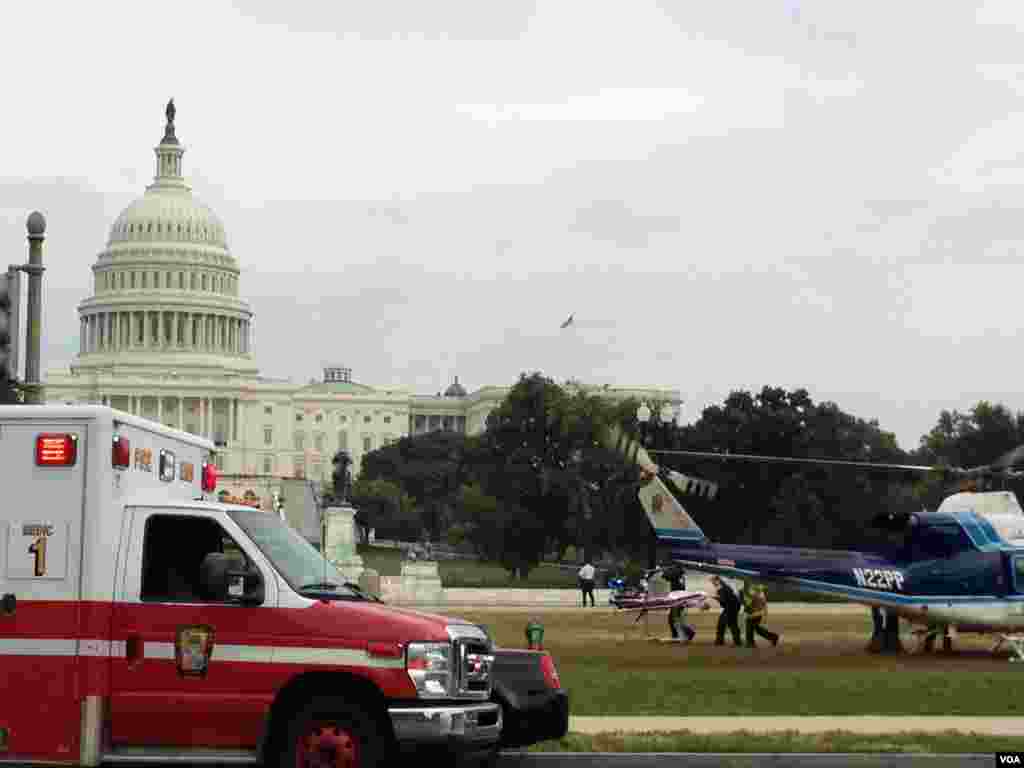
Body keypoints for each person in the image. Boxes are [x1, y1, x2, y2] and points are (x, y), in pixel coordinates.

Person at [742, 580, 780, 648]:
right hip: (754, 613)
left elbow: (763, 604)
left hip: (756, 613)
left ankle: (750, 643)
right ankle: (773, 637)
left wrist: (764, 614)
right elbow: (749, 603)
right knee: (757, 629)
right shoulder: (754, 591)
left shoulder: (757, 592)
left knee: (750, 626)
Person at [710, 575, 743, 646]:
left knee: (727, 624)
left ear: (717, 580)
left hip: (732, 607)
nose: (712, 583)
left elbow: (724, 600)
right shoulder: (723, 586)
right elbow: (725, 600)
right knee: (729, 624)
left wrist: (716, 597)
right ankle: (734, 641)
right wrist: (717, 597)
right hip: (732, 606)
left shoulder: (721, 587)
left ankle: (721, 641)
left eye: (713, 581)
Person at [665, 566, 695, 643]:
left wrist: (667, 569)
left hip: (677, 601)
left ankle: (681, 634)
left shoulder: (675, 578)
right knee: (675, 619)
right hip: (679, 601)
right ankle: (685, 633)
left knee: (674, 619)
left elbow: (665, 576)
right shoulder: (680, 578)